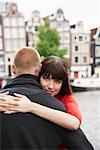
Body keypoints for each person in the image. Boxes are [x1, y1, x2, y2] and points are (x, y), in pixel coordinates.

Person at [0, 47, 94, 150]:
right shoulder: (57, 107)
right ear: (39, 70)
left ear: (13, 69)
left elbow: (74, 123)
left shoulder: (3, 101)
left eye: (57, 81)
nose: (50, 86)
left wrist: (31, 106)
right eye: (46, 78)